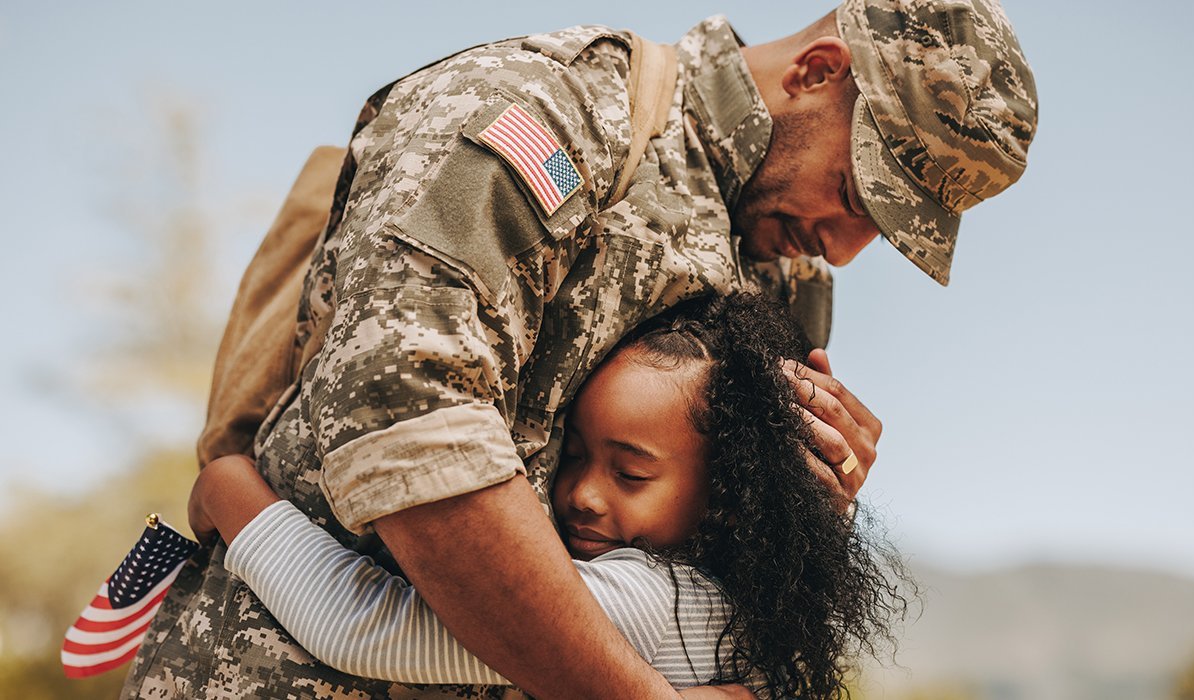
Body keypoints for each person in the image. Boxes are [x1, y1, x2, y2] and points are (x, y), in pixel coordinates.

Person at [123, 1, 1036, 698]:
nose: (842, 246)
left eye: (886, 228)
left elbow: (718, 566)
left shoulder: (787, 275)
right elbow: (411, 426)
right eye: (855, 190)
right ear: (817, 70)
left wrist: (812, 499)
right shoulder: (547, 114)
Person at [188, 293, 911, 698]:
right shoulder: (751, 604)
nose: (582, 495)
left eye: (630, 473)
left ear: (727, 496)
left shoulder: (646, 600)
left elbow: (360, 625)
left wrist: (228, 487)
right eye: (574, 456)